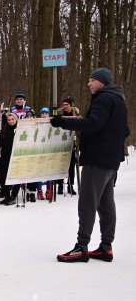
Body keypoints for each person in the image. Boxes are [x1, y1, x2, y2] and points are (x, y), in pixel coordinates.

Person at [51, 68, 129, 263]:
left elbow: (94, 124)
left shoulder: (103, 98)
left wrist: (63, 122)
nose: (89, 84)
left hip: (97, 159)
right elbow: (121, 129)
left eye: (92, 80)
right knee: (106, 204)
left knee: (87, 203)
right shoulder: (118, 99)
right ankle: (106, 247)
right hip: (110, 160)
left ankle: (81, 246)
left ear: (102, 82)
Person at [0, 112, 22, 205]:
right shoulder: (5, 129)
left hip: (16, 155)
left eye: (12, 119)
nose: (11, 121)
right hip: (5, 156)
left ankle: (13, 196)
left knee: (16, 175)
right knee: (3, 176)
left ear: (16, 120)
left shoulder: (19, 129)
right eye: (9, 120)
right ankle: (7, 195)